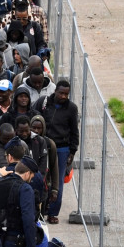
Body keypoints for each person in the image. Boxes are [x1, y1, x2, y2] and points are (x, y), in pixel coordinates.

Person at [32, 80, 78, 224]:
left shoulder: (72, 108)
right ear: (55, 91)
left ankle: (53, 212)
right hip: (43, 144)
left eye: (66, 94)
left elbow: (74, 131)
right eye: (61, 93)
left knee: (57, 182)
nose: (63, 96)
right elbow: (34, 118)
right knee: (42, 176)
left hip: (62, 148)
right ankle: (41, 209)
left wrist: (72, 152)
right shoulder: (44, 102)